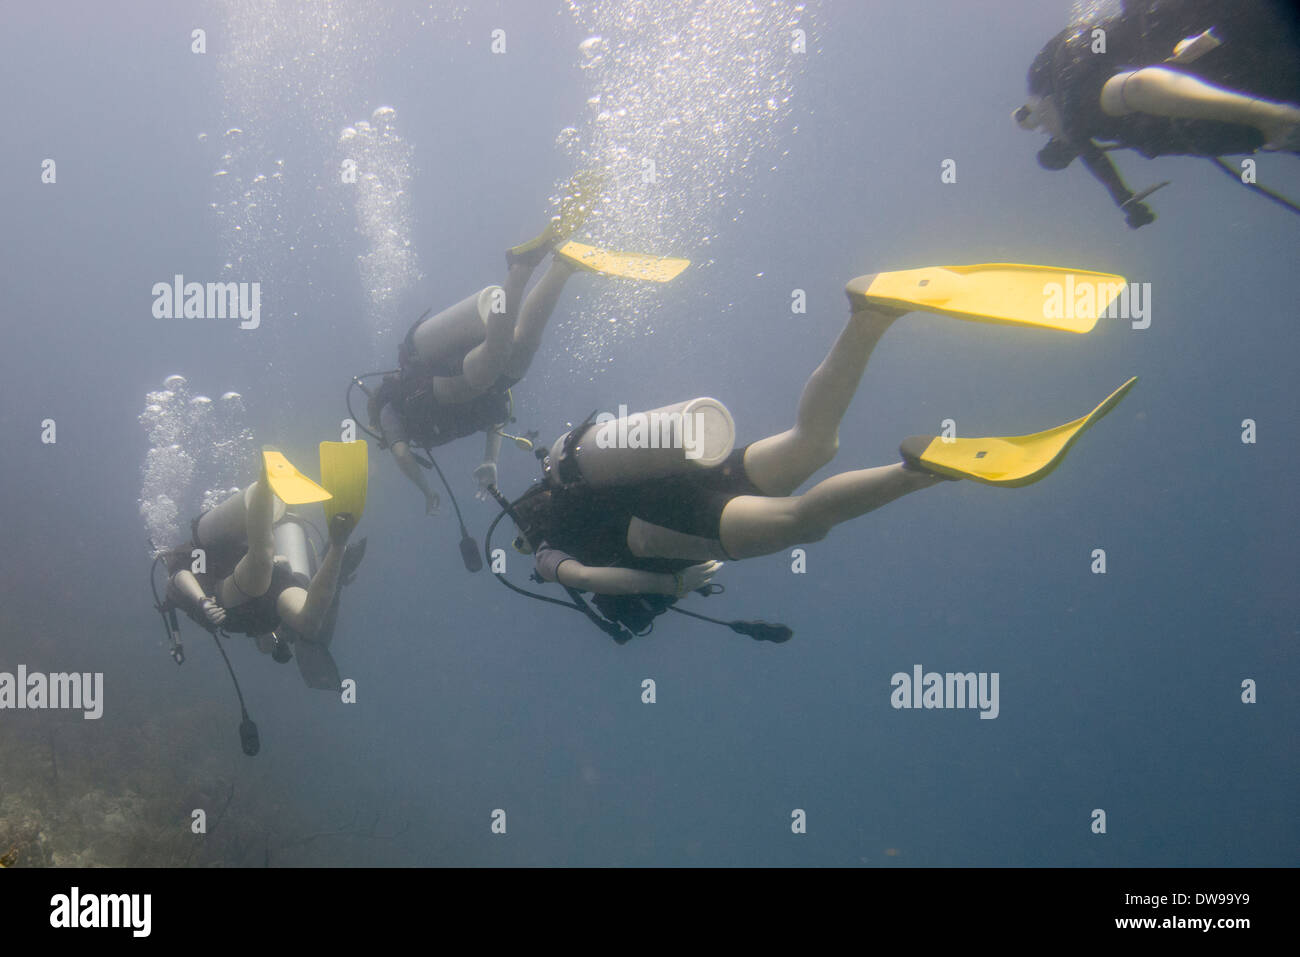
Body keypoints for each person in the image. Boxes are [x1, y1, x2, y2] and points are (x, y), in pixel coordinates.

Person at [495, 263, 1137, 639]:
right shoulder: (563, 492)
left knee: (803, 522)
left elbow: (585, 578)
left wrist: (673, 579)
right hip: (684, 477)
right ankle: (870, 315)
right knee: (812, 444)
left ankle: (919, 471)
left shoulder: (547, 544)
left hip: (672, 524)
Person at [361, 172, 690, 514]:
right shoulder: (399, 408)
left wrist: (426, 490)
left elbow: (400, 454)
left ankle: (520, 269)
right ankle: (562, 267)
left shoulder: (389, 410)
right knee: (519, 351)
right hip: (479, 391)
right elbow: (492, 418)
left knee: (499, 359)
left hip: (441, 386)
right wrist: (491, 462)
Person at [1014, 0, 1300, 227]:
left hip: (1258, 91)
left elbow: (1137, 89)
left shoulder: (1070, 102)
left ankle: (1272, 119)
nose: (1051, 135)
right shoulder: (1071, 90)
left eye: (1044, 131)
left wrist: (1269, 117)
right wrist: (1123, 198)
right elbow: (1091, 151)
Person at [157, 447, 367, 680]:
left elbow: (178, 576)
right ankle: (339, 542)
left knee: (260, 568)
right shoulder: (272, 622)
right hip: (261, 594)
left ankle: (265, 484)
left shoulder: (182, 578)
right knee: (309, 623)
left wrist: (203, 602)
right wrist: (335, 549)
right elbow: (298, 619)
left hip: (220, 592)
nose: (275, 643)